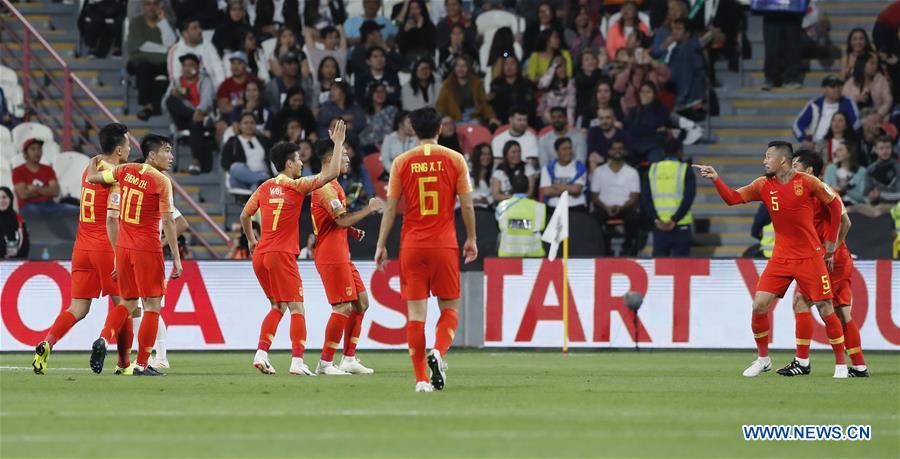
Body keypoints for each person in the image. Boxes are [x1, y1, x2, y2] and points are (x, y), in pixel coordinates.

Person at [694, 141, 848, 378]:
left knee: (826, 308)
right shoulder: (763, 184)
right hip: (781, 258)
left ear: (782, 160)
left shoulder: (807, 182)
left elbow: (835, 206)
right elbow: (733, 199)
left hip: (809, 257)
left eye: (767, 157)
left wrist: (830, 244)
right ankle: (763, 359)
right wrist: (716, 178)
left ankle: (840, 364)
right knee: (759, 306)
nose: (764, 161)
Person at [374, 107, 478, 392]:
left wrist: (381, 244)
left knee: (416, 315)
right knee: (450, 308)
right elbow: (467, 204)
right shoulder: (455, 159)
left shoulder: (401, 162)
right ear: (440, 129)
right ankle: (439, 352)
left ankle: (421, 380)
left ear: (412, 130)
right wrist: (471, 238)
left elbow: (392, 208)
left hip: (412, 245)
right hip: (444, 244)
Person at [243, 123, 347, 376]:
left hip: (261, 255)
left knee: (277, 306)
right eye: (299, 159)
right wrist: (338, 145)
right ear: (289, 164)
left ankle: (261, 353)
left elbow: (245, 216)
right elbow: (331, 174)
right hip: (281, 254)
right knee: (297, 308)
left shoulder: (264, 187)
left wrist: (251, 241)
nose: (301, 163)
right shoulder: (296, 186)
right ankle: (298, 362)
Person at [30, 124, 129, 374]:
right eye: (127, 144)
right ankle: (121, 361)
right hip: (105, 246)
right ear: (118, 149)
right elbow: (111, 219)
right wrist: (119, 254)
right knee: (126, 303)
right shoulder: (114, 177)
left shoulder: (90, 166)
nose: (130, 148)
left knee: (78, 307)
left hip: (81, 246)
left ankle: (47, 343)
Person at [85, 133, 183, 377]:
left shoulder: (124, 170)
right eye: (167, 151)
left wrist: (92, 161)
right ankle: (141, 364)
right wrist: (177, 259)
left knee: (128, 303)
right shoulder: (162, 181)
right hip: (147, 248)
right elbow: (170, 221)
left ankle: (103, 338)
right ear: (152, 154)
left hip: (124, 249)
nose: (170, 156)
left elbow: (94, 178)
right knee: (152, 305)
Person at [782, 150, 868, 377]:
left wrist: (830, 250)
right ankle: (859, 367)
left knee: (801, 301)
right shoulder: (806, 192)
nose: (791, 169)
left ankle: (802, 362)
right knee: (841, 313)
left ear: (809, 170)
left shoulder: (822, 191)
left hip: (829, 260)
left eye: (795, 165)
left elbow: (846, 222)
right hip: (837, 259)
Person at [310, 140, 384, 375]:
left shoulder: (336, 186)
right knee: (342, 307)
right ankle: (325, 363)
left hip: (341, 253)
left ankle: (349, 358)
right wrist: (369, 209)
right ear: (329, 159)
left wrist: (351, 230)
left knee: (361, 303)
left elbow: (333, 222)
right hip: (331, 256)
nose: (348, 159)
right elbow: (341, 219)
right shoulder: (325, 188)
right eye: (343, 155)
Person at [163, 53, 216, 174]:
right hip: (181, 119)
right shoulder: (176, 83)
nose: (187, 68)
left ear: (197, 67)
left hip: (198, 118)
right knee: (170, 100)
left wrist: (199, 110)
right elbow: (164, 105)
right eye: (185, 66)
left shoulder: (205, 80)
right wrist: (173, 94)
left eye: (191, 65)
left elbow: (207, 100)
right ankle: (196, 117)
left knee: (195, 121)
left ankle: (196, 162)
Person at [125, 0, 176, 121]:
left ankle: (151, 109)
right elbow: (135, 45)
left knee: (161, 77)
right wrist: (164, 51)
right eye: (148, 4)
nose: (152, 7)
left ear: (160, 6)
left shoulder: (167, 21)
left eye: (155, 4)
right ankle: (147, 104)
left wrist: (163, 22)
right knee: (144, 68)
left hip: (161, 63)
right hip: (140, 63)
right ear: (143, 6)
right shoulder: (136, 22)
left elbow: (171, 44)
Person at [645, 140, 695, 257]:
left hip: (660, 224)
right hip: (681, 224)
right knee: (682, 268)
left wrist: (656, 219)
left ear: (663, 152)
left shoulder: (652, 169)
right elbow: (688, 198)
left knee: (660, 267)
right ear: (680, 152)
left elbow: (646, 198)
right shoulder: (685, 169)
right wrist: (674, 219)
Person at [591, 140, 640, 256]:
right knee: (594, 217)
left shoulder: (632, 172)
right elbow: (594, 196)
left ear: (625, 151)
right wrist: (606, 207)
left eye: (620, 148)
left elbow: (634, 197)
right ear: (609, 151)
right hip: (604, 207)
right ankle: (603, 248)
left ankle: (628, 247)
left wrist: (621, 207)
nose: (617, 151)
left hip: (624, 207)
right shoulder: (599, 171)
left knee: (634, 216)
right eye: (614, 148)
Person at [12, 139, 77, 216]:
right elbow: (23, 194)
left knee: (77, 210)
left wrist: (36, 189)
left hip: (50, 205)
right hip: (28, 206)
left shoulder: (48, 169)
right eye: (33, 149)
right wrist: (46, 190)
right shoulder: (18, 171)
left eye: (39, 149)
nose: (37, 152)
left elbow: (55, 191)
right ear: (26, 153)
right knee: (38, 212)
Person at [793, 76, 860, 148]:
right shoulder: (815, 104)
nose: (837, 89)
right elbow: (797, 124)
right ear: (823, 90)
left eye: (839, 86)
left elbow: (856, 123)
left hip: (839, 145)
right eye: (833, 86)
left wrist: (845, 139)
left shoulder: (847, 102)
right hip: (815, 146)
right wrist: (803, 140)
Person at [436, 55, 499, 126]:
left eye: (464, 66)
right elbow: (440, 105)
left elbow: (483, 103)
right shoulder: (447, 84)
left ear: (468, 68)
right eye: (458, 66)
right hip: (454, 119)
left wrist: (492, 117)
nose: (460, 69)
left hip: (474, 117)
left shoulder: (477, 83)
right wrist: (445, 117)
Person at [496, 171, 546, 257]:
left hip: (507, 255)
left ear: (511, 187)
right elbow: (540, 227)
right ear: (528, 187)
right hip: (533, 254)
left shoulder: (502, 206)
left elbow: (501, 226)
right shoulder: (539, 207)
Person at [758, 1, 804, 90]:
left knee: (792, 45)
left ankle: (791, 78)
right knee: (771, 46)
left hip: (793, 11)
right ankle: (771, 78)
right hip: (771, 11)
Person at [167, 18, 225, 88]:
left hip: (211, 87)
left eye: (199, 27)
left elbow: (218, 69)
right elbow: (176, 79)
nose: (200, 30)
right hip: (188, 90)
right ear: (185, 34)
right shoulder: (176, 51)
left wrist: (222, 89)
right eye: (194, 28)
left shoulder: (207, 45)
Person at [222, 112, 272, 190]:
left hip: (261, 174)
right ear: (240, 125)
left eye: (252, 123)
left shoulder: (263, 140)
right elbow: (225, 162)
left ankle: (260, 182)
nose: (249, 126)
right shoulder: (232, 141)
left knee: (257, 188)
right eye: (245, 123)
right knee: (236, 167)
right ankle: (263, 180)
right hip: (240, 179)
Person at [624, 82, 670, 164]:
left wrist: (647, 107)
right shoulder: (633, 111)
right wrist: (651, 130)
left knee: (656, 157)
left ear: (654, 94)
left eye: (648, 92)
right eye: (642, 92)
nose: (644, 95)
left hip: (653, 146)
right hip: (635, 146)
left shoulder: (661, 110)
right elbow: (631, 130)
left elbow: (654, 125)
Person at [539, 137, 587, 212]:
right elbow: (547, 192)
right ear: (557, 151)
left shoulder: (579, 166)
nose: (568, 151)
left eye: (570, 148)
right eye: (564, 149)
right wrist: (569, 188)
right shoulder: (548, 169)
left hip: (576, 206)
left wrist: (556, 186)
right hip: (554, 207)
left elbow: (576, 190)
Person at [842, 52, 893, 122]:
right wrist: (857, 98)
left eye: (875, 64)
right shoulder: (851, 82)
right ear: (862, 65)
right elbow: (844, 100)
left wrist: (878, 114)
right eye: (871, 63)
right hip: (856, 119)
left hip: (878, 119)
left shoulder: (881, 80)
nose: (875, 66)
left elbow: (888, 101)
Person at [488, 55, 537, 126]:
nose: (509, 67)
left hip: (523, 120)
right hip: (501, 121)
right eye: (506, 64)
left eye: (512, 64)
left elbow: (530, 106)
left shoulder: (526, 84)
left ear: (517, 67)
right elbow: (493, 105)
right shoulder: (496, 84)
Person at [217, 52, 259, 120]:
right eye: (233, 63)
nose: (235, 67)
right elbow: (223, 108)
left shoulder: (253, 80)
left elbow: (260, 101)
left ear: (245, 65)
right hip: (231, 118)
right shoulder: (225, 85)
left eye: (239, 63)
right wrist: (242, 107)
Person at [536, 56, 576, 126]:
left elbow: (571, 106)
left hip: (563, 118)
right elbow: (543, 85)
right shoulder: (548, 82)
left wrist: (570, 124)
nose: (563, 69)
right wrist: (553, 66)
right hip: (546, 118)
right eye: (560, 67)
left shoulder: (570, 83)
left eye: (564, 66)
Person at [359, 83, 399, 153]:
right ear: (371, 94)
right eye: (377, 91)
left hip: (390, 146)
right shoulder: (365, 114)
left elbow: (390, 131)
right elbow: (361, 137)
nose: (380, 94)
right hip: (369, 148)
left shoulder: (392, 110)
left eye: (383, 91)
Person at [864, 135, 900, 210]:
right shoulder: (870, 169)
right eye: (881, 148)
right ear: (875, 150)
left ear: (892, 149)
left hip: (896, 206)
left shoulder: (897, 167)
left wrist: (880, 195)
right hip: (876, 207)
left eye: (888, 148)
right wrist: (871, 198)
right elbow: (865, 196)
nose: (885, 151)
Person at [573, 50, 605, 129]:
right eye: (587, 60)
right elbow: (589, 81)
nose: (591, 61)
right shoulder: (579, 78)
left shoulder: (601, 77)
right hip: (584, 116)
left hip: (600, 114)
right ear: (581, 65)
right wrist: (600, 67)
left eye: (593, 58)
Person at [265, 52, 304, 116]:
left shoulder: (305, 83)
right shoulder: (272, 85)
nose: (293, 67)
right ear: (281, 66)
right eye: (289, 64)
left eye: (295, 63)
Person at [0, 187, 28, 260]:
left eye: (4, 197)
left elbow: (24, 242)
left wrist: (13, 257)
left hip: (14, 262)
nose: (1, 201)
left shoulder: (18, 219)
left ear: (10, 199)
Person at [470, 143, 494, 209]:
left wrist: (486, 200)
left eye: (488, 154)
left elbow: (495, 195)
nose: (486, 157)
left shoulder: (494, 174)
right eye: (483, 154)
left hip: (488, 211)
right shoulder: (468, 175)